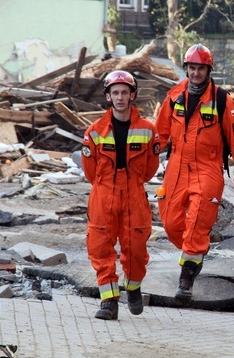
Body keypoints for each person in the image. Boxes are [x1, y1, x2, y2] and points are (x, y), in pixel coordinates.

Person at [155, 44, 234, 302]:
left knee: (197, 222)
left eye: (201, 68)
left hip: (208, 169)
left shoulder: (222, 100)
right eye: (192, 68)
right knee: (171, 223)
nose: (196, 73)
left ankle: (186, 278)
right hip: (176, 167)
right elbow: (159, 135)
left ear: (209, 70)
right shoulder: (173, 97)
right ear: (186, 69)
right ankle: (196, 251)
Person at [82, 70, 160, 320]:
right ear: (108, 96)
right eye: (115, 92)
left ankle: (134, 288)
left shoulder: (148, 130)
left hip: (134, 195)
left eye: (124, 92)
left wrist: (131, 183)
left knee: (136, 248)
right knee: (100, 248)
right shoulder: (94, 131)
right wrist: (107, 186)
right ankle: (109, 302)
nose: (120, 97)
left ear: (132, 95)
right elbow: (90, 171)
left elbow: (150, 169)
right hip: (103, 194)